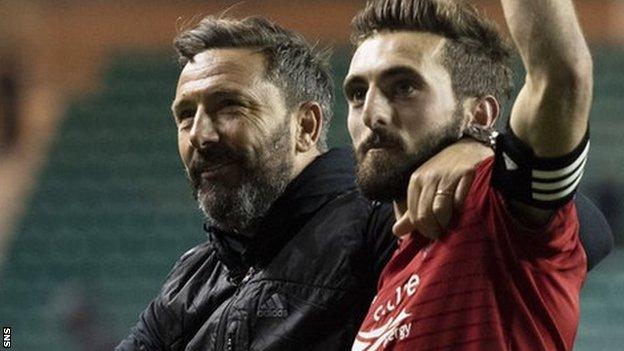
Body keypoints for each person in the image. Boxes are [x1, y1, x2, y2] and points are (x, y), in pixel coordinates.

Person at [116, 13, 610, 351]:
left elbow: (575, 226)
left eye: (229, 107)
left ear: (307, 126)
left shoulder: (374, 216)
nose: (200, 134)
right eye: (185, 116)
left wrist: (480, 148)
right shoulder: (195, 274)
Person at [346, 0, 597, 350]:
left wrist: (489, 147)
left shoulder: (497, 211)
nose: (371, 113)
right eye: (357, 94)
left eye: (404, 87)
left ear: (479, 115)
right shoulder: (390, 273)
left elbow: (561, 76)